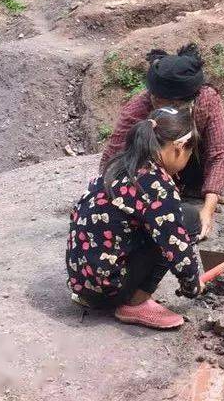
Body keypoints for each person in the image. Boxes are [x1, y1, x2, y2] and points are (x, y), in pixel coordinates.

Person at [67, 107, 205, 329]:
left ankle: (97, 296)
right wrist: (192, 283)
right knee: (187, 219)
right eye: (190, 154)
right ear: (178, 148)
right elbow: (176, 244)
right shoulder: (157, 183)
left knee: (160, 221)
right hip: (108, 291)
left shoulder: (121, 165)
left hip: (81, 281)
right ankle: (135, 303)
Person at [100, 43, 224, 243]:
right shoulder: (136, 112)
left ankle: (196, 189)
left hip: (187, 162)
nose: (159, 104)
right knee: (182, 220)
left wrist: (208, 210)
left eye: (168, 104)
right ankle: (170, 193)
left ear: (185, 101)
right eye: (156, 99)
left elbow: (217, 154)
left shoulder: (207, 100)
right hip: (151, 176)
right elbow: (112, 161)